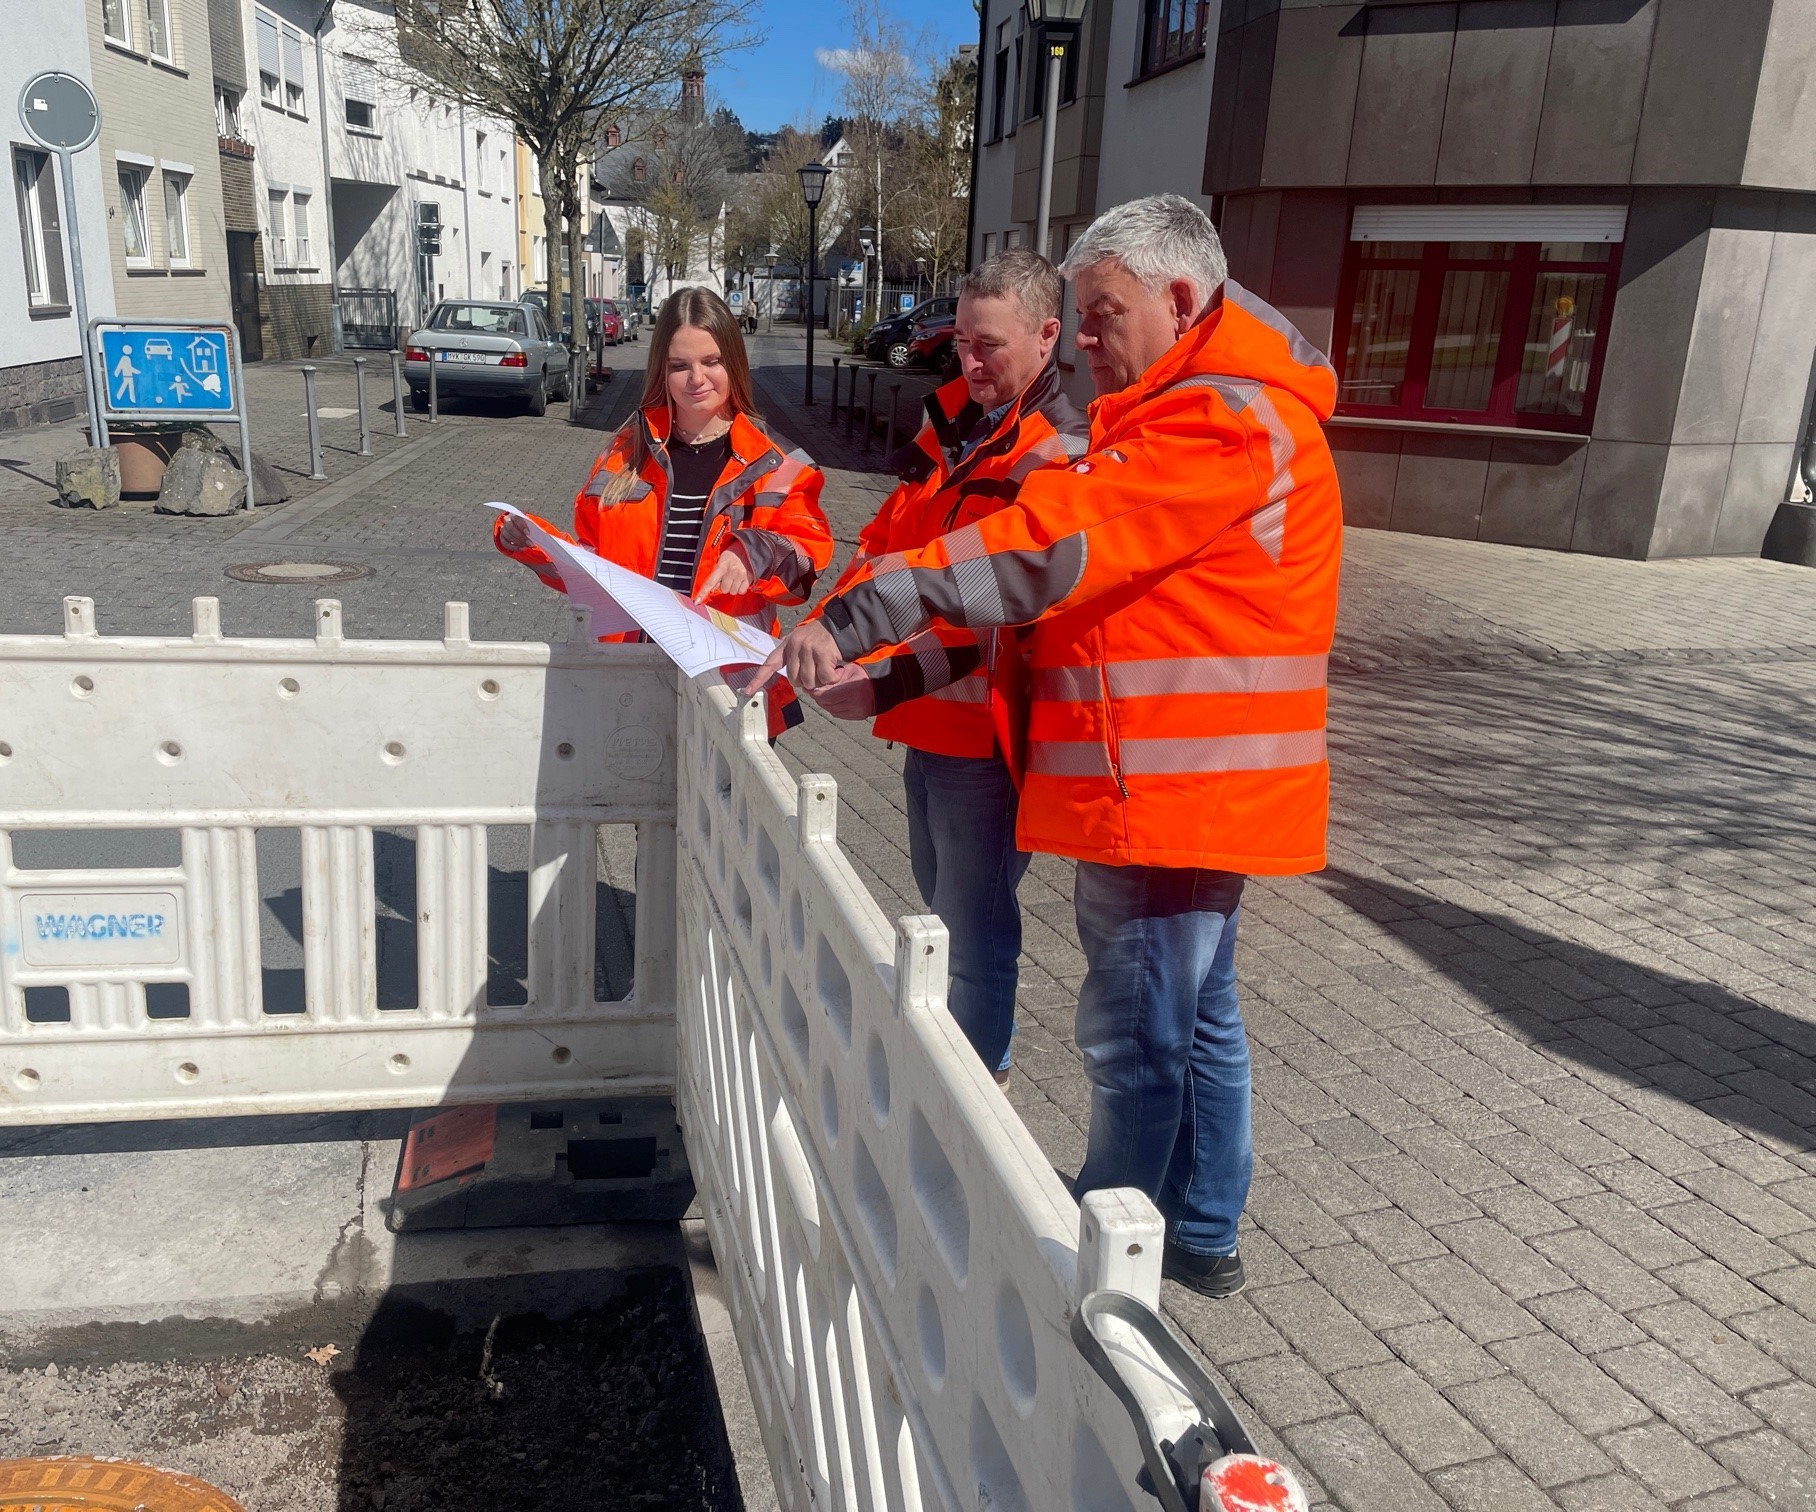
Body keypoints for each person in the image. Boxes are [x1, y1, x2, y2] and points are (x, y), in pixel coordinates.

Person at [753, 196, 1343, 1298]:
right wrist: (890, 674)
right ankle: (1201, 1230)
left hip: (1167, 794)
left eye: (1098, 312)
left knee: (1136, 1046)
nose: (1080, 338)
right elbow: (1029, 629)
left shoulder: (1215, 420)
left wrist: (864, 613)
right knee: (1196, 1020)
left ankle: (1101, 1268)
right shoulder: (1180, 412)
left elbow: (1045, 553)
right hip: (1175, 789)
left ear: (1178, 300)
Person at [802, 250, 1086, 1087]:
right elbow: (888, 551)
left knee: (974, 924)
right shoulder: (958, 429)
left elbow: (990, 609)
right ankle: (962, 1072)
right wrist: (829, 623)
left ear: (1045, 336)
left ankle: (975, 1090)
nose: (967, 360)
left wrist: (878, 674)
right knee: (945, 900)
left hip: (982, 733)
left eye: (987, 345)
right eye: (961, 339)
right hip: (930, 721)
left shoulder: (1052, 454)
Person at [495, 286, 831, 735]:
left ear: (733, 362)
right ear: (662, 370)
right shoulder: (625, 455)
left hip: (729, 689)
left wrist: (753, 552)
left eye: (712, 361)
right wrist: (534, 543)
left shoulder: (777, 464)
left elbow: (805, 559)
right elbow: (592, 568)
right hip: (628, 679)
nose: (697, 378)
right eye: (680, 366)